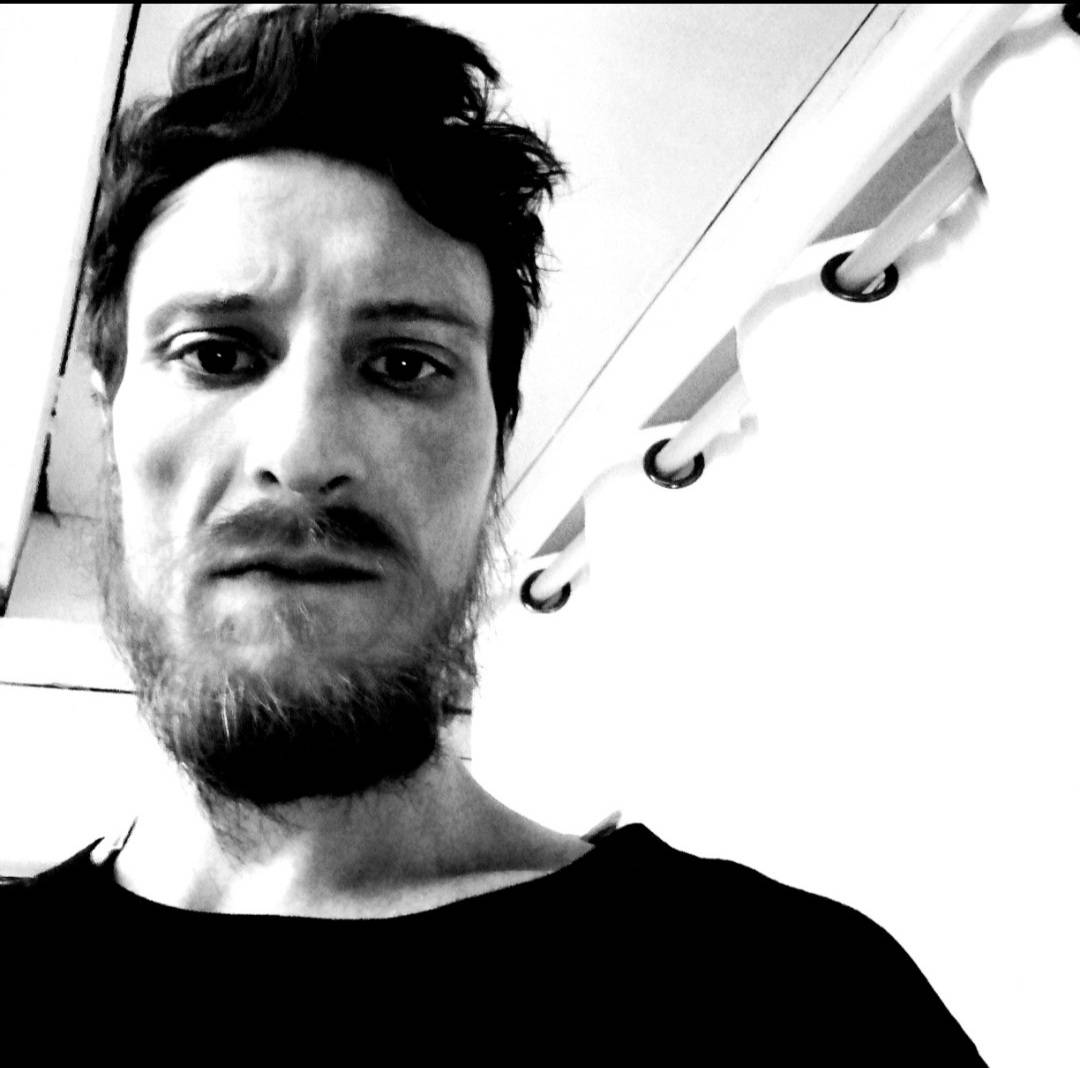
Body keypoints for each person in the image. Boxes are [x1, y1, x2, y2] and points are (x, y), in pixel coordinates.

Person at [2, 5, 986, 1059]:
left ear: (496, 444)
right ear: (108, 418)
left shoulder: (799, 999)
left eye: (403, 365)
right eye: (216, 353)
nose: (301, 451)